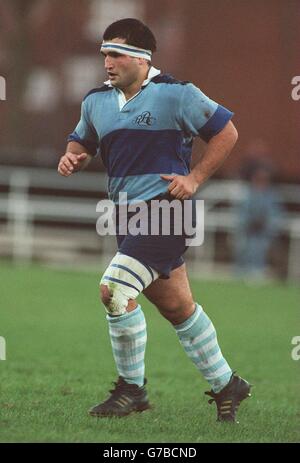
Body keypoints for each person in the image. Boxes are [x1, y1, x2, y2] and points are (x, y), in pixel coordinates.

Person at [58, 18, 251, 423]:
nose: (107, 62)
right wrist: (73, 154)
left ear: (143, 59)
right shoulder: (96, 100)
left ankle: (132, 389)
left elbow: (227, 133)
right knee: (179, 308)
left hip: (166, 212)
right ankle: (226, 384)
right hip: (124, 217)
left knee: (114, 289)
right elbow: (83, 139)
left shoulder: (176, 94)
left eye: (116, 54)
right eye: (104, 54)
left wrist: (194, 177)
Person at [234, 161, 283, 278]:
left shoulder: (271, 196)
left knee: (260, 246)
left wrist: (264, 223)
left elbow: (276, 215)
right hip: (247, 229)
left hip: (263, 232)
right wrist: (249, 223)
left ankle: (258, 270)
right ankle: (241, 272)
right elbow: (241, 213)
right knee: (242, 244)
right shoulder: (248, 194)